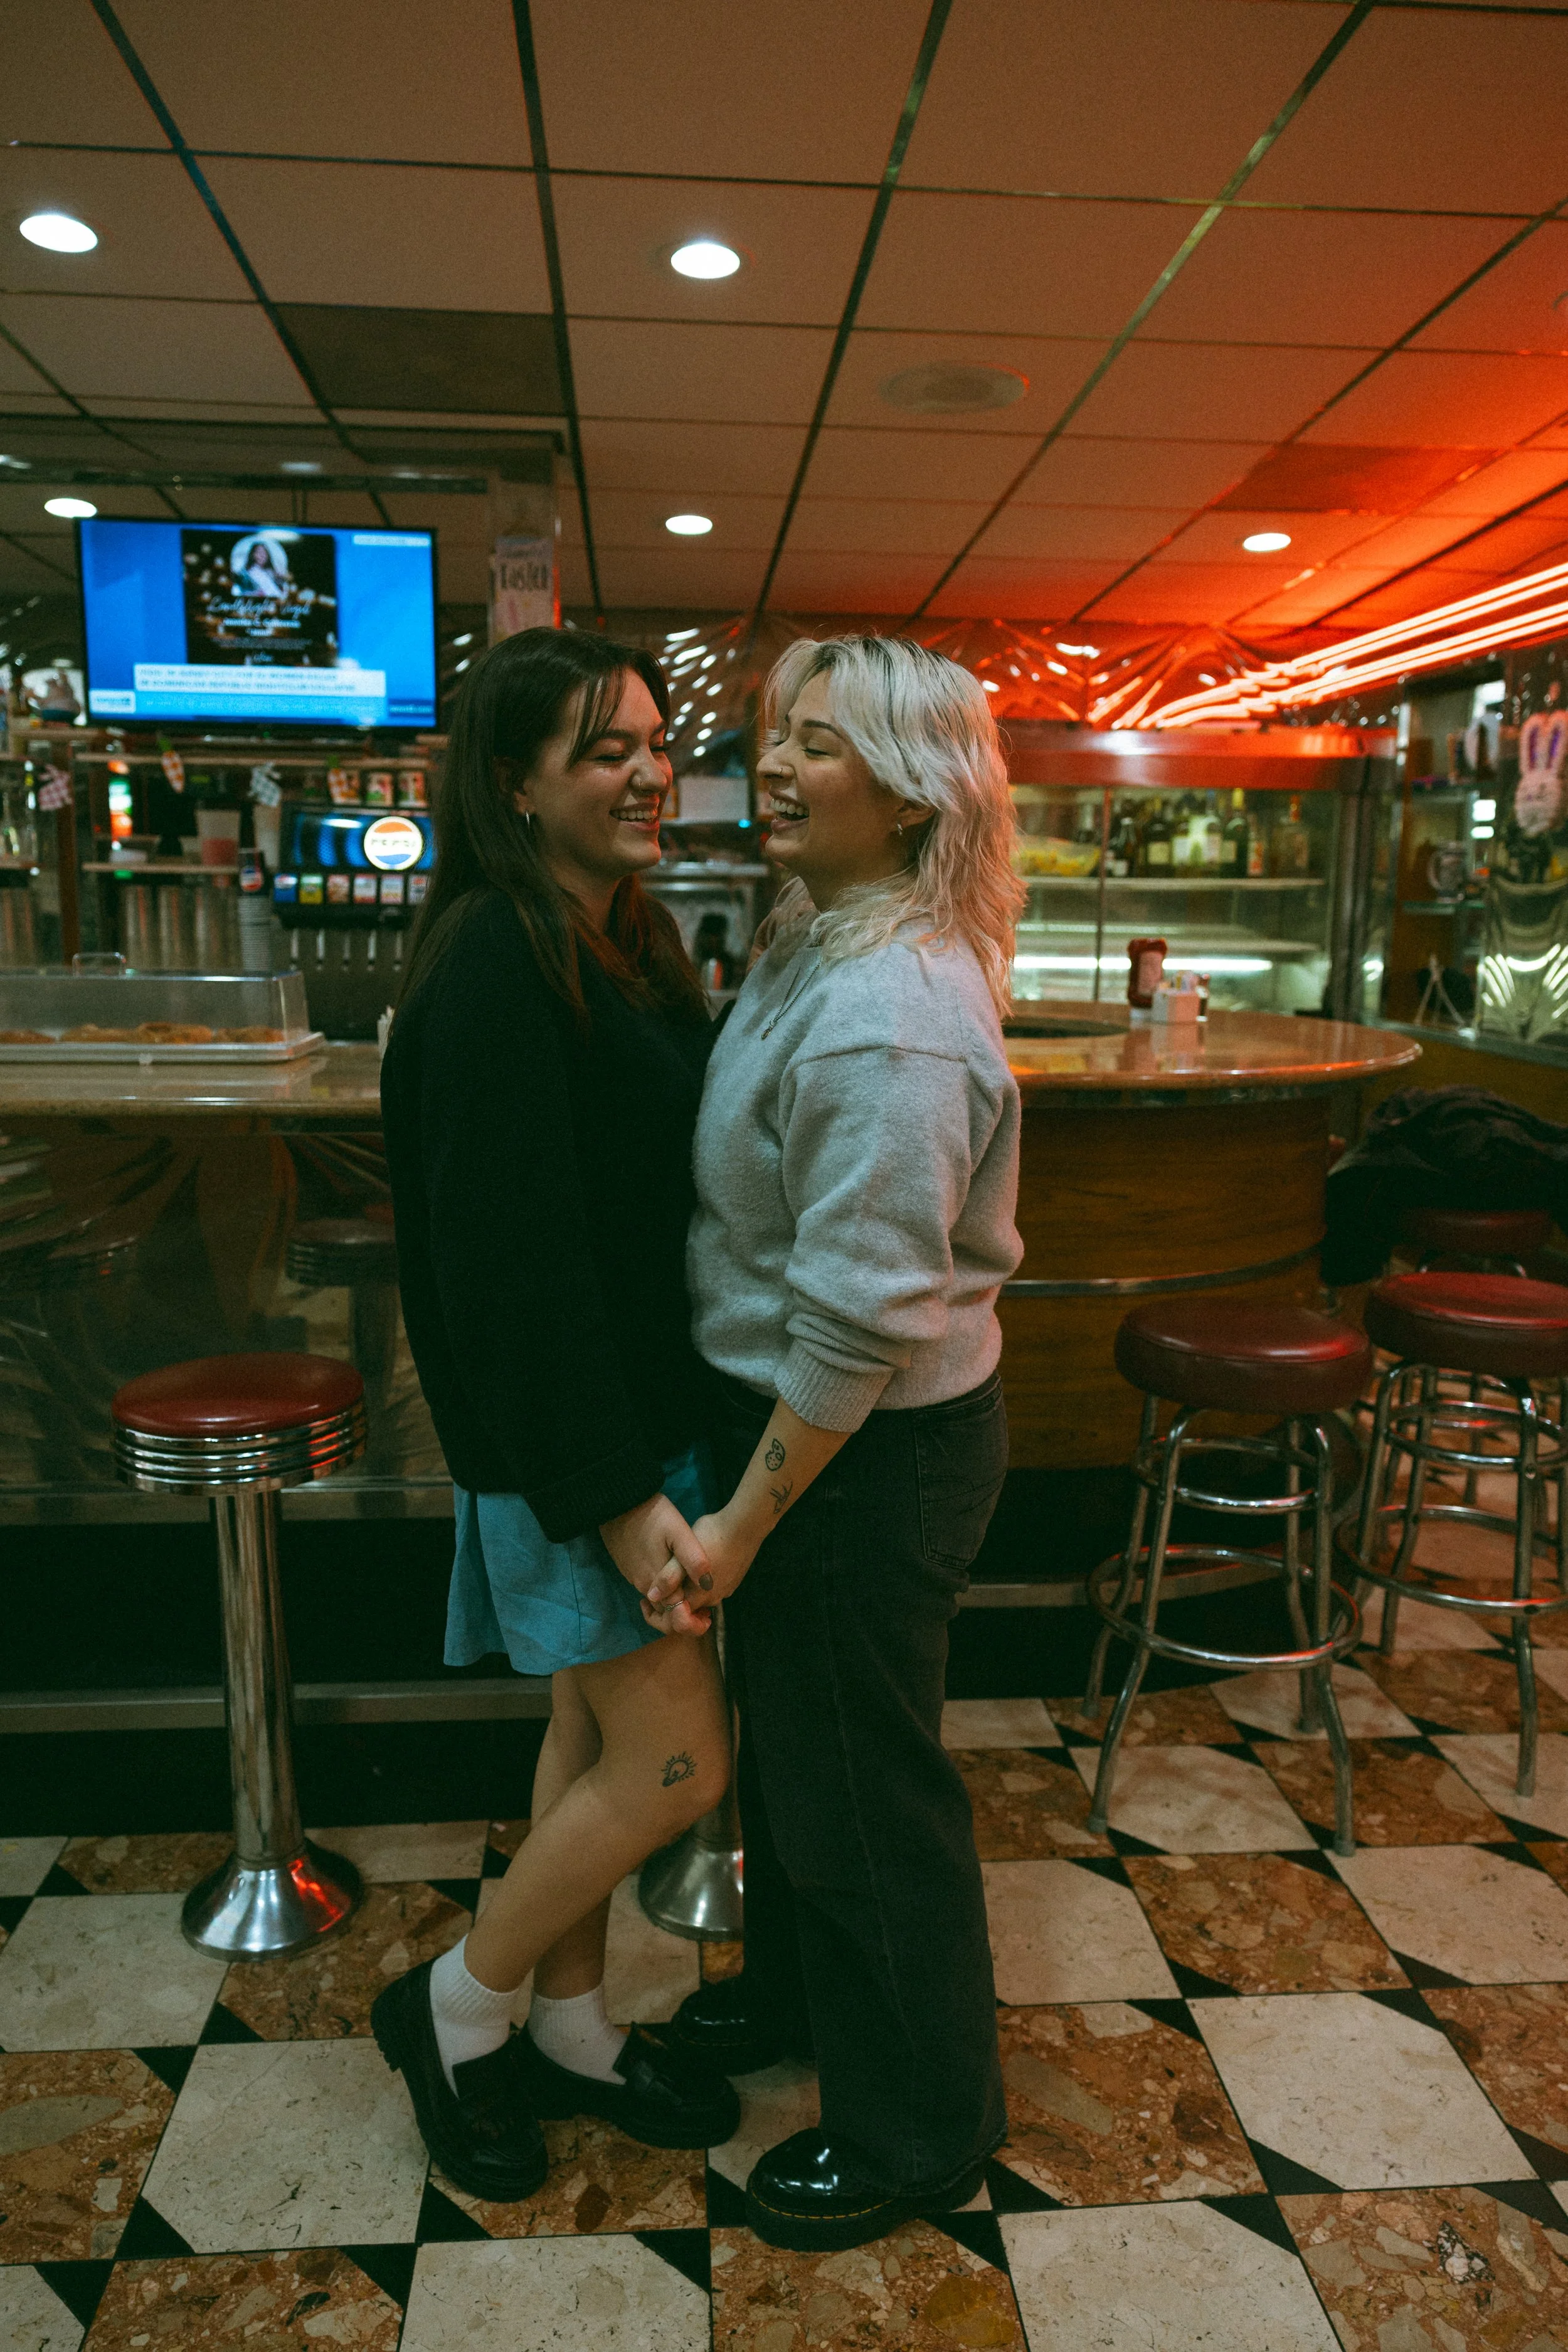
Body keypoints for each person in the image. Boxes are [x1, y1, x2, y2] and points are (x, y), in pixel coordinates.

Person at [653, 633, 1025, 2252]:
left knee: (866, 1787)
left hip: (864, 1445)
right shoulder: (824, 929)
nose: (777, 765)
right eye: (775, 735)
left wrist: (736, 1521)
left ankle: (917, 2128)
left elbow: (860, 1323)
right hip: (820, 1425)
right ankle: (800, 2003)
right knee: (804, 1757)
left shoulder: (890, 1011)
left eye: (819, 743)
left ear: (914, 789)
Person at [373, 627, 738, 2202]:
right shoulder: (492, 960)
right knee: (676, 1770)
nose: (648, 771)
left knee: (590, 1734)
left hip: (635, 1428)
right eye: (602, 749)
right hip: (581, 1453)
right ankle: (450, 2012)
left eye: (653, 741)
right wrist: (611, 1494)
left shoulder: (615, 936)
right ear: (513, 785)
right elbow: (510, 1267)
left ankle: (573, 2028)